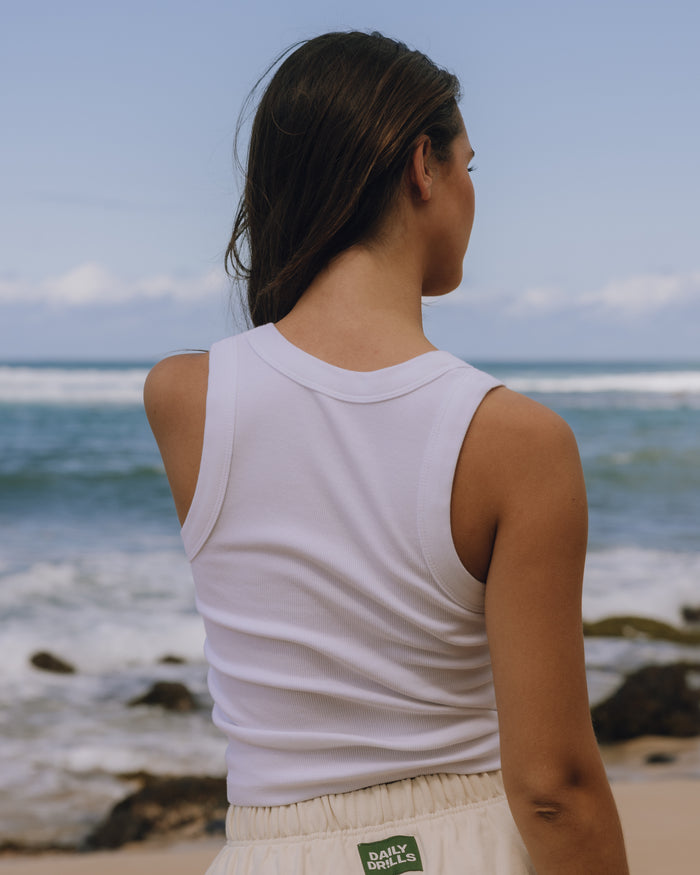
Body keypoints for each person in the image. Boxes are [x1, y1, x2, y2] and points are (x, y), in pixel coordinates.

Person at [144, 31, 629, 874]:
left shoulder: (185, 398)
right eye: (469, 167)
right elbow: (554, 783)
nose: (473, 193)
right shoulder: (516, 439)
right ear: (422, 167)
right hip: (468, 841)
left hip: (270, 854)